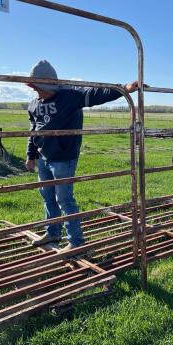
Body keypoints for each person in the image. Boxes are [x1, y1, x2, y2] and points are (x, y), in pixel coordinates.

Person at [25, 60, 139, 251]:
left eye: (41, 87)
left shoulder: (69, 95)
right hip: (44, 156)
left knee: (64, 199)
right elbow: (33, 129)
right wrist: (30, 155)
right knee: (47, 196)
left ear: (51, 84)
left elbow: (95, 93)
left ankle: (76, 242)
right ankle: (52, 232)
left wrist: (124, 89)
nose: (39, 92)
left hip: (64, 157)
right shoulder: (34, 104)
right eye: (35, 88)